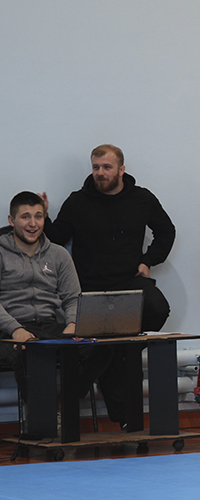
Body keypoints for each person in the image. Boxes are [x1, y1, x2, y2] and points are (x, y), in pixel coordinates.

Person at [43, 144, 176, 430]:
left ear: (121, 170)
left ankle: (122, 351)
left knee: (158, 307)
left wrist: (148, 261)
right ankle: (126, 417)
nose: (100, 173)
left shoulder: (142, 198)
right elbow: (57, 238)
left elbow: (167, 231)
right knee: (111, 352)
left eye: (107, 167)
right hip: (90, 287)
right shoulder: (78, 201)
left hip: (130, 281)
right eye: (96, 167)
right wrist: (43, 217)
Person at [0, 191, 112, 405]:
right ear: (12, 221)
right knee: (29, 355)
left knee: (101, 349)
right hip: (9, 329)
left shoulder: (59, 254)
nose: (33, 224)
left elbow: (73, 297)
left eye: (38, 216)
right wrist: (15, 329)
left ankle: (67, 402)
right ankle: (41, 418)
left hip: (50, 327)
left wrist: (72, 325)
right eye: (25, 217)